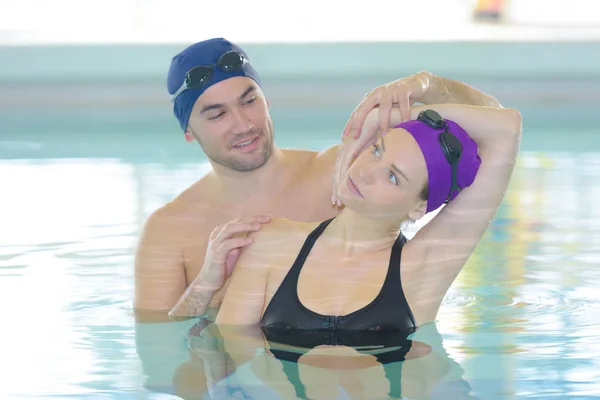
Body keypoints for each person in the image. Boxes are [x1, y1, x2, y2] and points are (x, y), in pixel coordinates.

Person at [133, 37, 504, 321]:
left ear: (266, 97)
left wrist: (423, 84)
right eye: (217, 115)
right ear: (188, 132)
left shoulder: (349, 171)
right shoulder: (168, 230)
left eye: (249, 100)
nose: (243, 124)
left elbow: (490, 127)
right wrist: (205, 286)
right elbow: (162, 354)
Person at [203, 102, 522, 329]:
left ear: (419, 208)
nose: (367, 171)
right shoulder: (271, 242)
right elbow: (227, 357)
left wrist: (401, 113)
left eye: (393, 176)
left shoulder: (422, 269)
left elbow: (506, 128)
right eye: (377, 150)